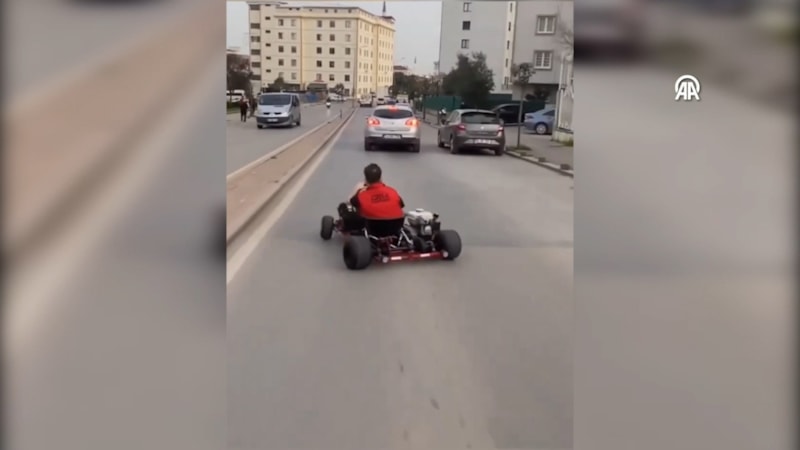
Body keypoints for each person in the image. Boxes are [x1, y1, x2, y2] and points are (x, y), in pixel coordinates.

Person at [338, 163, 405, 231]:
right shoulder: (392, 191)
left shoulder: (361, 195)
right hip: (396, 227)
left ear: (366, 179)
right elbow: (401, 205)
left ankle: (345, 232)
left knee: (343, 206)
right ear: (380, 178)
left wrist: (359, 190)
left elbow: (350, 202)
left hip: (373, 229)